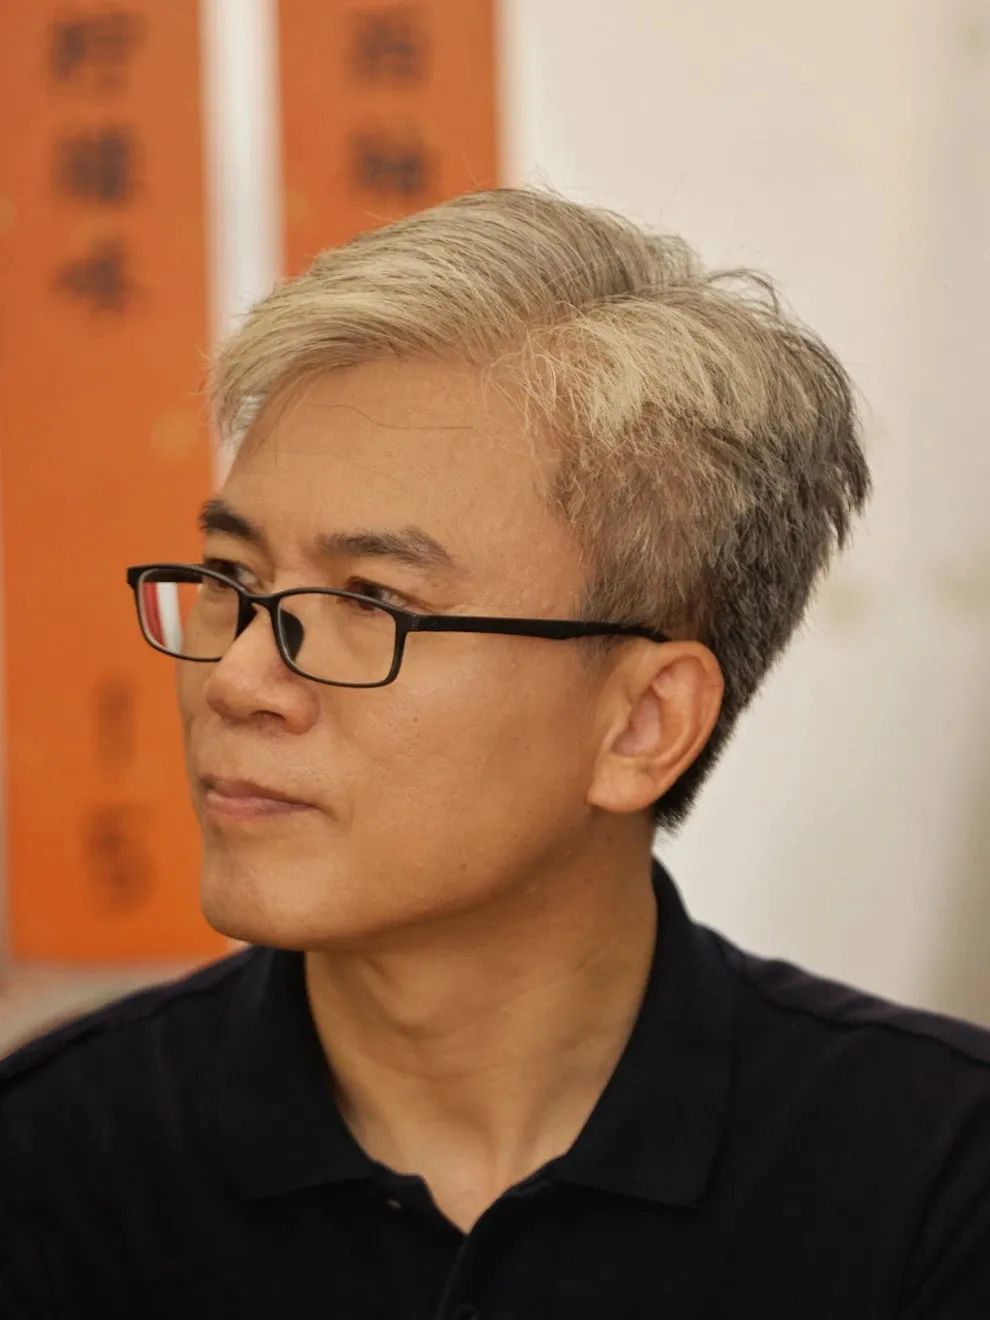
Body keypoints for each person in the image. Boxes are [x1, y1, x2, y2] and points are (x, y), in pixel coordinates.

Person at [2, 187, 987, 1318]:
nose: (237, 679)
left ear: (643, 723)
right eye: (233, 579)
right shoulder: (51, 1165)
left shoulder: (935, 1187)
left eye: (373, 602)